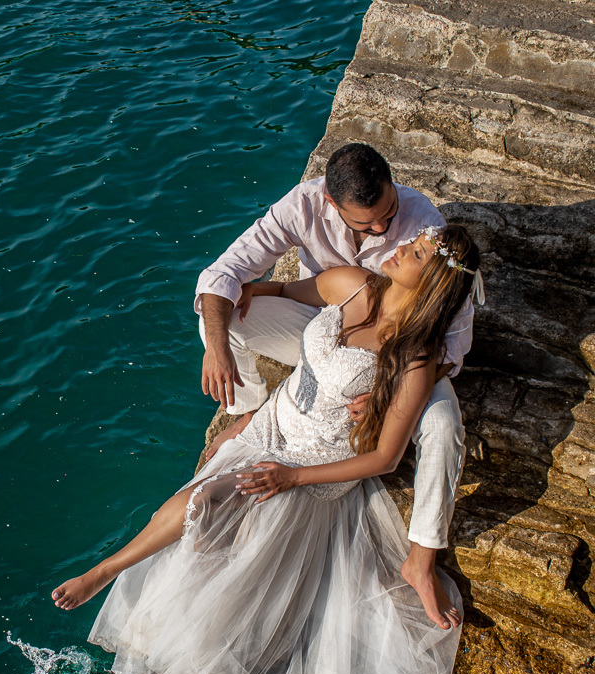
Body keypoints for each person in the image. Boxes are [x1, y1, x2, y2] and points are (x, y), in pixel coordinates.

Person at [51, 224, 482, 674]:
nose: (398, 248)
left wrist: (290, 477)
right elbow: (287, 292)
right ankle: (109, 572)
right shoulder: (353, 283)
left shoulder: (415, 357)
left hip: (315, 463)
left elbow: (385, 459)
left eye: (415, 252)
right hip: (274, 423)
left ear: (433, 281)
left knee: (209, 501)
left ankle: (105, 574)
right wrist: (253, 299)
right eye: (410, 241)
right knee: (210, 515)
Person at [197, 144, 473, 617]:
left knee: (445, 426)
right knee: (220, 321)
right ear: (330, 200)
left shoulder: (424, 225)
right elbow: (224, 273)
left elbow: (452, 339)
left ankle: (421, 560)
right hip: (325, 330)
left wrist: (388, 395)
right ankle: (248, 411)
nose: (383, 229)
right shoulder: (301, 205)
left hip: (403, 354)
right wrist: (217, 346)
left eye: (388, 214)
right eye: (367, 224)